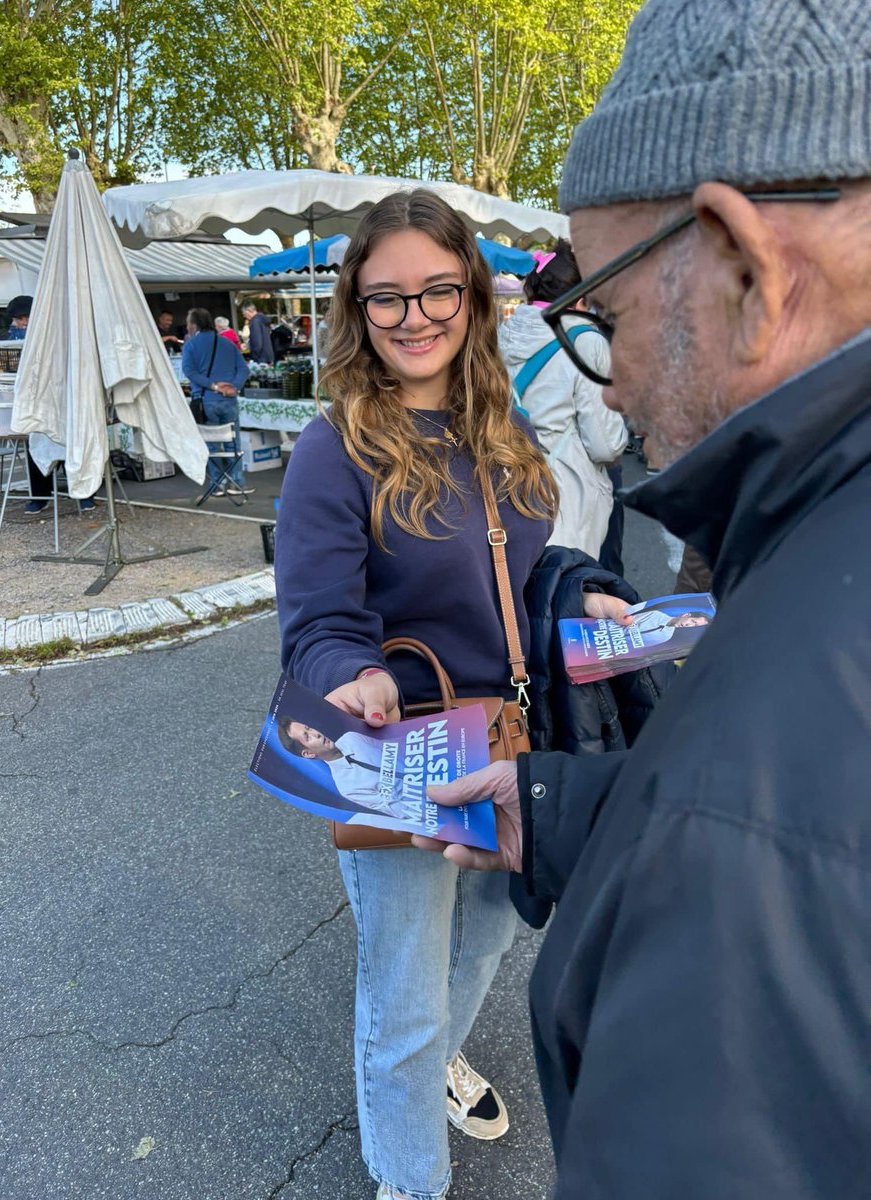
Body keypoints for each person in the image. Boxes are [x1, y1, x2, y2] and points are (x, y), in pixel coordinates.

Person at [412, 2, 871, 1196]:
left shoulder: (745, 810)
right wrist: (587, 809)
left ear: (742, 267)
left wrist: (677, 824)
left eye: (605, 322)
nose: (609, 399)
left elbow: (771, 834)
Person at [275, 189, 627, 1200]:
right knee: (406, 994)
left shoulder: (501, 428)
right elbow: (318, 621)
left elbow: (527, 575)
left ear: (471, 295)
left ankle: (431, 1071)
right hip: (403, 755)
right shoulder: (333, 447)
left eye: (437, 290)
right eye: (388, 299)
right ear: (359, 309)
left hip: (509, 745)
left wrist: (586, 595)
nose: (415, 316)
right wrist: (360, 675)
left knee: (487, 939)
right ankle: (408, 1182)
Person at [498, 240, 627, 560]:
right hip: (566, 502)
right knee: (573, 596)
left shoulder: (503, 334)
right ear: (581, 298)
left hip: (508, 492)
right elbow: (605, 444)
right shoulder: (585, 340)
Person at [3, 294, 97, 515]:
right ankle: (40, 496)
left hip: (65, 397)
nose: (17, 324)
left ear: (27, 317)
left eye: (18, 319)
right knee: (37, 445)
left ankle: (84, 493)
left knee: (70, 445)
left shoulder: (57, 330)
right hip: (38, 401)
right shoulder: (21, 338)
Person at [277, 716, 416, 820]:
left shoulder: (351, 738)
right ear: (308, 753)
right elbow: (398, 810)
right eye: (308, 737)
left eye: (309, 728)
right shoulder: (347, 787)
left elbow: (396, 745)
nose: (316, 733)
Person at [181, 308, 251, 496]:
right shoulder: (228, 343)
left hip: (205, 400)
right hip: (229, 400)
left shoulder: (191, 345)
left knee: (211, 445)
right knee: (232, 442)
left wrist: (213, 386)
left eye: (188, 323)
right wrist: (233, 387)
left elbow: (190, 372)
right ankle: (236, 483)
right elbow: (244, 370)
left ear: (194, 325)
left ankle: (217, 485)